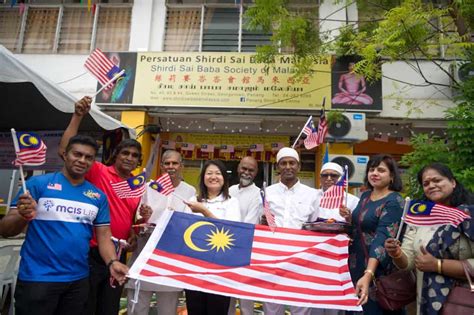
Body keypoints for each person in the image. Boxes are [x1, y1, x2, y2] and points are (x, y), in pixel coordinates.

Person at [0, 135, 129, 315]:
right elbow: (5, 230)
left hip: (79, 280)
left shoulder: (98, 196)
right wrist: (23, 216)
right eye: (77, 154)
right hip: (38, 279)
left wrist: (112, 262)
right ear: (65, 155)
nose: (82, 160)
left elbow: (104, 237)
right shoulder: (37, 185)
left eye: (89, 157)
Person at [59, 96, 148, 315]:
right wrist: (77, 116)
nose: (129, 158)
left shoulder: (137, 186)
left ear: (139, 161)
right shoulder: (98, 170)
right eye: (125, 153)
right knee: (86, 306)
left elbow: (128, 218)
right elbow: (65, 151)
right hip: (90, 250)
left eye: (135, 156)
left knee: (110, 307)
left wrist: (137, 227)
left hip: (118, 254)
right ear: (115, 155)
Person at [384, 163, 474, 315]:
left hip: (464, 303)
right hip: (426, 302)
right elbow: (408, 262)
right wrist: (396, 253)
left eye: (437, 180)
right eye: (426, 183)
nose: (431, 185)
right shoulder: (420, 217)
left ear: (453, 182)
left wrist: (438, 265)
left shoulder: (468, 216)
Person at [126, 150, 196, 315]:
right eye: (167, 163)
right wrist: (144, 215)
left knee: (168, 310)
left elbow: (190, 223)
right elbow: (137, 222)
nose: (171, 167)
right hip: (145, 253)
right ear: (162, 166)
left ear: (181, 166)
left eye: (175, 163)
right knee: (137, 308)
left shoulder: (190, 191)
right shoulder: (149, 188)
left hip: (170, 259)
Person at [339, 154, 404, 314]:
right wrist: (349, 217)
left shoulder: (394, 201)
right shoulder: (366, 196)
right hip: (356, 265)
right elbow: (360, 227)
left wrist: (368, 274)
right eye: (371, 169)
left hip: (377, 270)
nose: (374, 173)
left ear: (392, 176)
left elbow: (382, 238)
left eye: (381, 170)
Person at [263, 147, 320, 315]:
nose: (288, 167)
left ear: (299, 166)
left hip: (302, 257)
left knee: (301, 305)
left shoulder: (312, 194)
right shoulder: (267, 192)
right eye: (283, 163)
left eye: (292, 163)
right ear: (278, 167)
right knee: (272, 305)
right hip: (273, 256)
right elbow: (264, 222)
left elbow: (315, 226)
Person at [183, 160, 241, 315]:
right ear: (203, 177)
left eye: (218, 173)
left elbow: (231, 233)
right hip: (194, 266)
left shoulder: (232, 202)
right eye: (209, 173)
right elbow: (184, 230)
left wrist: (204, 212)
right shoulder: (193, 201)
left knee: (218, 309)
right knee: (195, 309)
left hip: (220, 269)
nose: (213, 177)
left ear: (224, 178)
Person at [311, 162, 360, 315]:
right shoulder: (312, 197)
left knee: (335, 302)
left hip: (339, 258)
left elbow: (358, 228)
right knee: (314, 300)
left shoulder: (351, 200)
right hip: (315, 257)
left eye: (334, 176)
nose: (329, 179)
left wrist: (349, 217)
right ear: (320, 178)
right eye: (325, 175)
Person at [227, 156, 262, 315]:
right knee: (227, 299)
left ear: (256, 173)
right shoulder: (229, 190)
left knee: (246, 303)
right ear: (238, 169)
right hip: (226, 251)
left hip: (246, 252)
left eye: (251, 170)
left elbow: (249, 225)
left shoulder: (258, 194)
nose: (246, 173)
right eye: (244, 169)